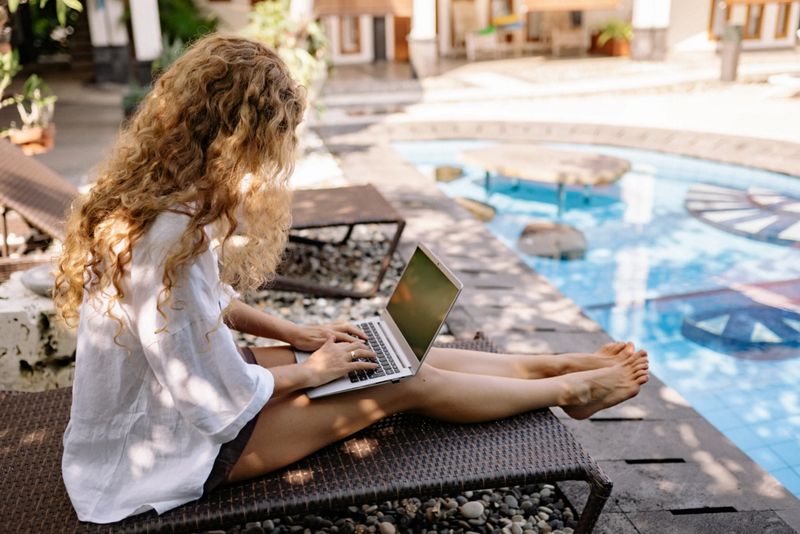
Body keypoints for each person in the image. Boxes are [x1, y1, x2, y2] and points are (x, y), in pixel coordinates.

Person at [55, 34, 649, 525]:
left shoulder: (163, 206)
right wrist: (311, 374)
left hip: (162, 419)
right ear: (237, 143)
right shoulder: (167, 239)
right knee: (403, 383)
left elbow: (214, 305)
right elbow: (213, 406)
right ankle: (569, 392)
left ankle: (551, 369)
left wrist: (300, 335)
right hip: (167, 456)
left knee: (382, 353)